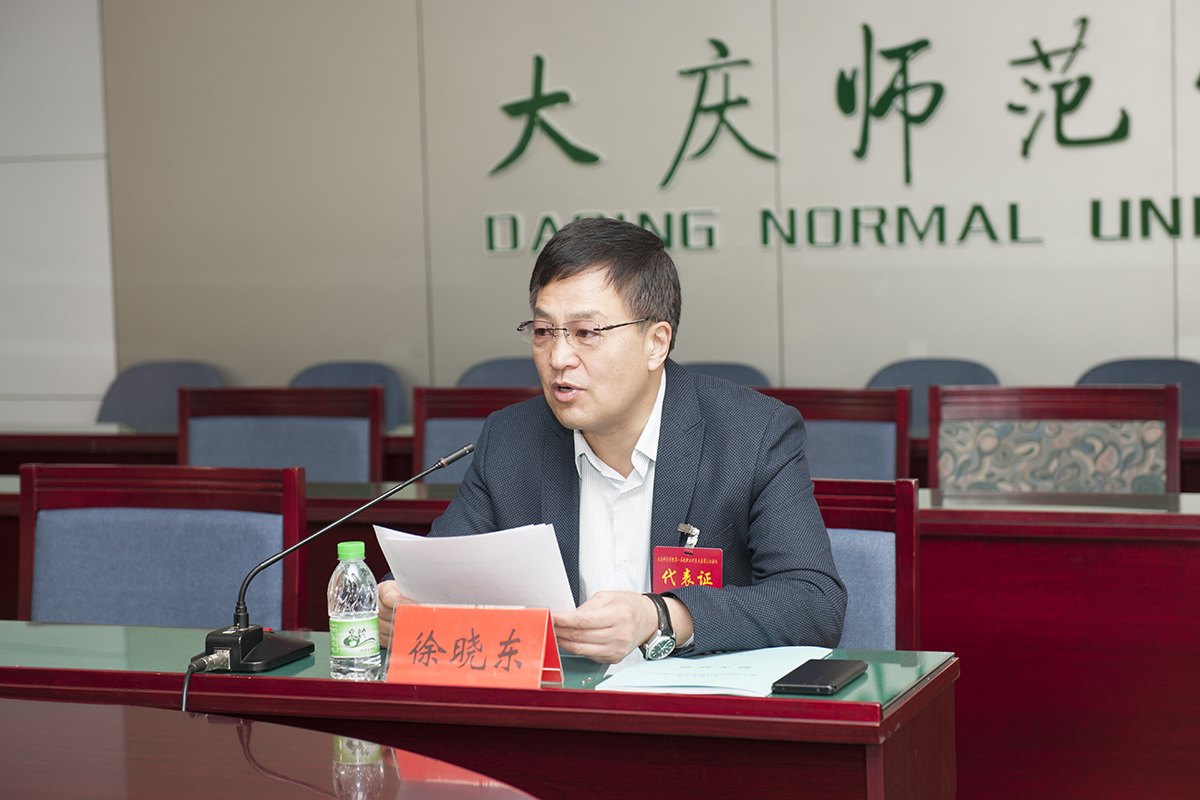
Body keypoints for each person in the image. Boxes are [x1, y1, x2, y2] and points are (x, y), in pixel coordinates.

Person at [379, 217, 846, 663]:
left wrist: (660, 617)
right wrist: (396, 602)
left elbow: (814, 602)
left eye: (586, 333)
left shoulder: (752, 434)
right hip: (561, 707)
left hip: (698, 709)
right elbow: (434, 575)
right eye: (543, 332)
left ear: (656, 343)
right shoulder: (511, 440)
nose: (558, 357)